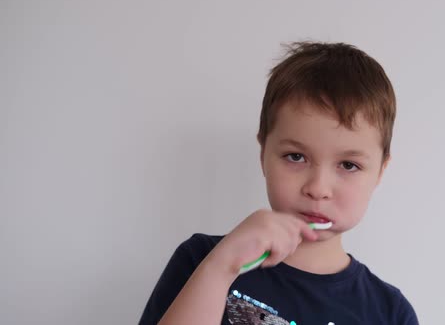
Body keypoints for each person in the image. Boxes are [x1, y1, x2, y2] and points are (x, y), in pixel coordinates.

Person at [139, 41, 419, 325]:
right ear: (263, 154)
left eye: (349, 165)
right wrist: (221, 267)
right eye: (296, 157)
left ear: (380, 172)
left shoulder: (391, 312)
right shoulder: (202, 260)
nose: (318, 188)